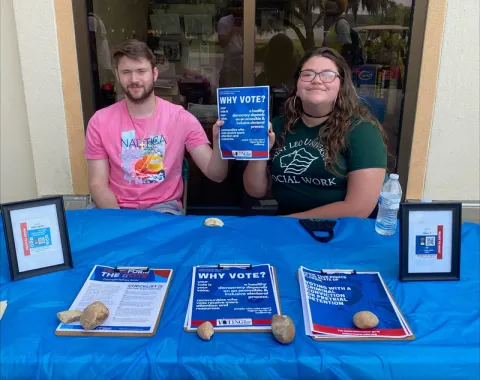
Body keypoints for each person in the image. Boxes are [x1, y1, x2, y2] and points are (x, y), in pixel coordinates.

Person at [85, 39, 228, 215]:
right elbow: (97, 184)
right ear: (117, 75)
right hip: (114, 209)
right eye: (126, 72)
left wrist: (221, 143)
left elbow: (216, 174)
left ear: (154, 73)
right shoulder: (99, 121)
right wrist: (121, 223)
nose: (134, 79)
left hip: (163, 209)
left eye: (141, 71)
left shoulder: (180, 118)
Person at [243, 47, 388, 219]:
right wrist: (259, 153)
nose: (317, 80)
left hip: (338, 232)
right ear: (297, 85)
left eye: (327, 74)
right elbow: (255, 190)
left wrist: (289, 222)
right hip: (286, 231)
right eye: (308, 74)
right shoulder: (279, 124)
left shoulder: (362, 131)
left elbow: (359, 208)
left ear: (341, 85)